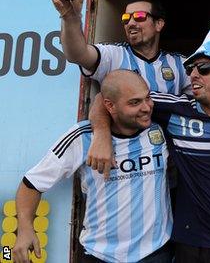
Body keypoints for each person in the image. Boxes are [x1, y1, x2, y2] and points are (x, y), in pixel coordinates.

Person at [89, 20, 210, 262]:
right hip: (188, 242)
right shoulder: (176, 109)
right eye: (191, 68)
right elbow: (108, 96)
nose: (193, 74)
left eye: (203, 68)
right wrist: (102, 136)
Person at [13, 70, 172, 263]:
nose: (147, 107)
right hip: (101, 255)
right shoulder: (83, 137)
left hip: (156, 253)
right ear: (110, 106)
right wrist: (25, 228)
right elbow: (31, 184)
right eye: (134, 102)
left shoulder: (160, 129)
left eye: (147, 98)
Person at [51, 0, 191, 175]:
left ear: (159, 24)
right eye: (126, 18)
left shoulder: (180, 63)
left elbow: (204, 101)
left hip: (169, 169)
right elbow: (77, 54)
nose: (131, 23)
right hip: (123, 168)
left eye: (140, 17)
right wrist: (70, 15)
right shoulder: (114, 54)